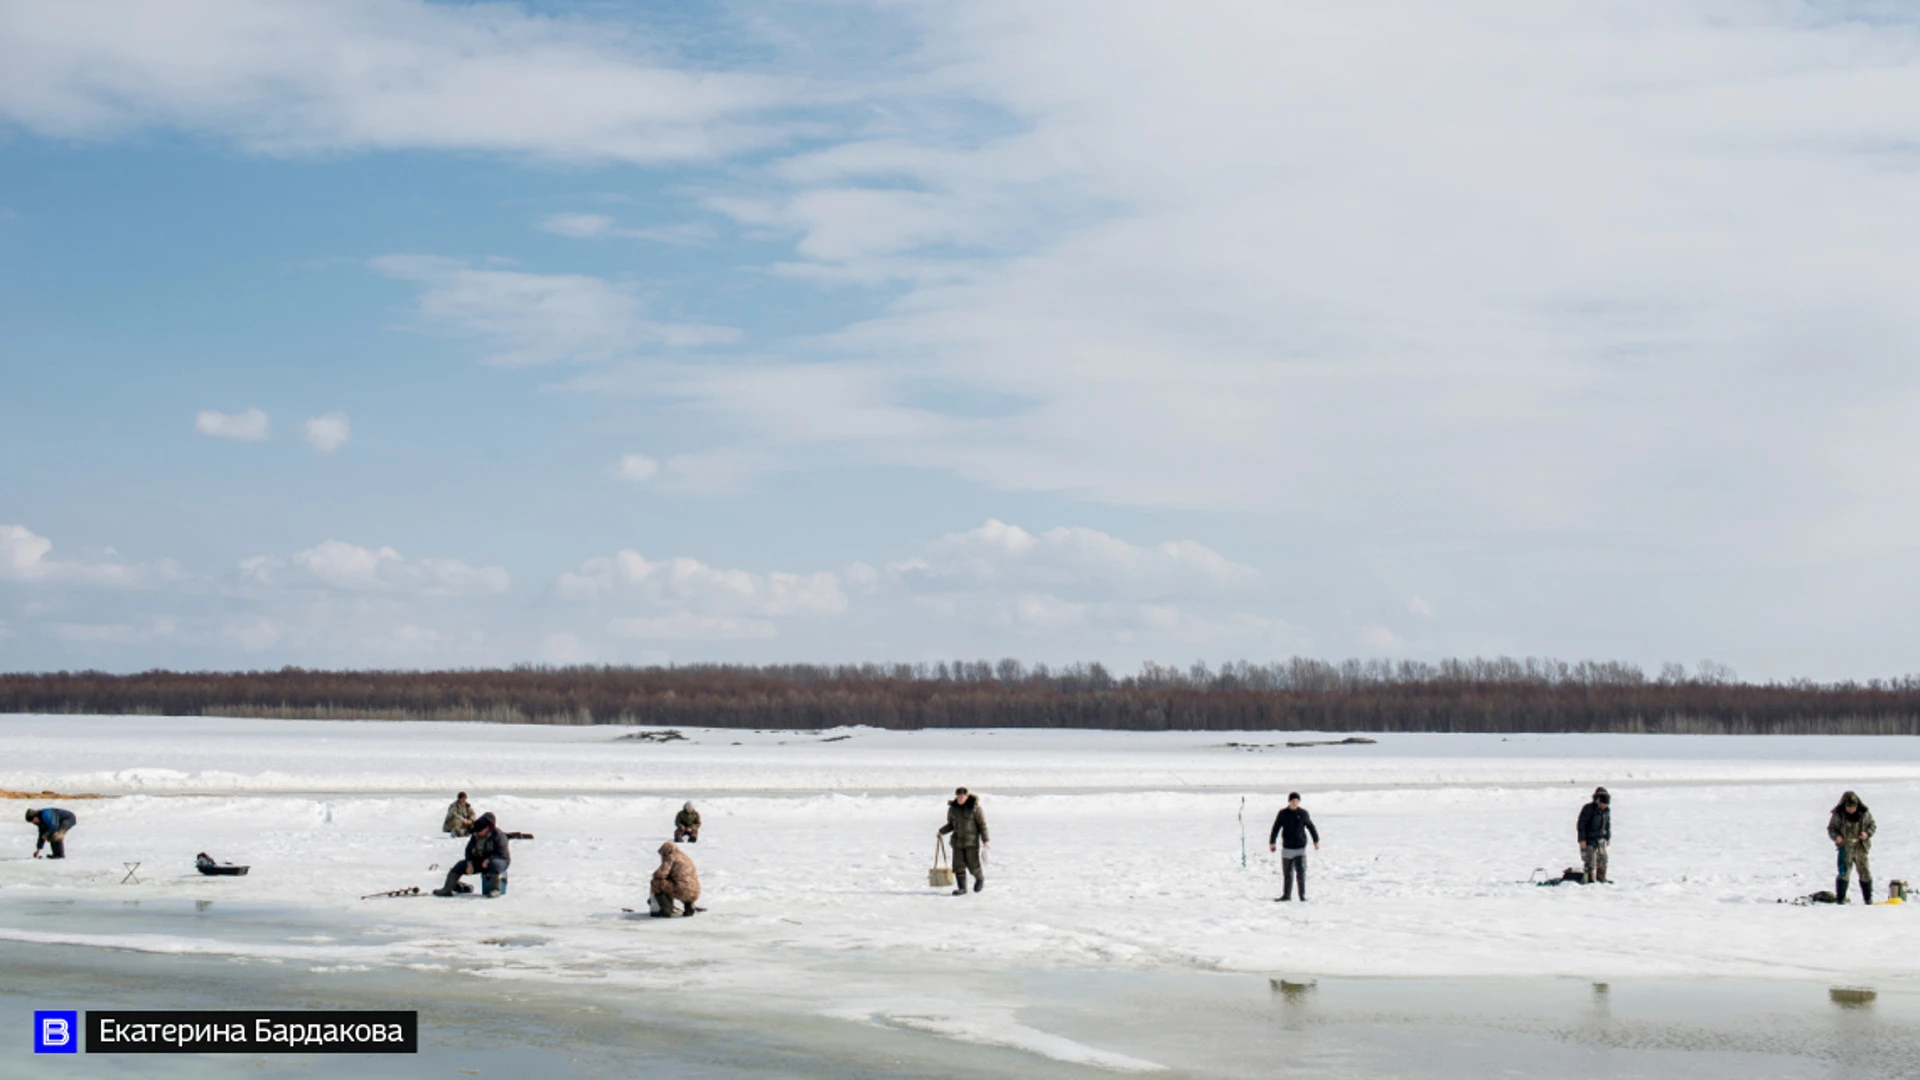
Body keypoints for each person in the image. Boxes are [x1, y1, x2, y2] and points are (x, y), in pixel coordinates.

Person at [434, 812, 510, 897]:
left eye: (480, 831)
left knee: (495, 864)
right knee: (460, 865)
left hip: (500, 860)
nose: (479, 833)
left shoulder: (498, 835)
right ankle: (447, 889)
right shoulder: (475, 835)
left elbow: (501, 853)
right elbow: (468, 850)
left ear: (487, 828)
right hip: (480, 861)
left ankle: (495, 889)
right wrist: (469, 863)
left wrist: (489, 859)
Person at [1268, 793, 1320, 901]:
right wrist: (1272, 842)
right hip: (1287, 848)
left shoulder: (1303, 813)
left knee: (1301, 873)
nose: (1294, 803)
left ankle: (1302, 896)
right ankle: (1286, 896)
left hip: (1300, 848)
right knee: (1288, 874)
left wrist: (1316, 840)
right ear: (1289, 802)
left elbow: (1311, 827)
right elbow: (1276, 827)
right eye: (1292, 801)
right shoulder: (1283, 813)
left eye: (1296, 801)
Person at [938, 787, 989, 895]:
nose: (960, 798)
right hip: (957, 842)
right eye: (958, 796)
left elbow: (982, 825)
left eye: (962, 796)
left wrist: (986, 840)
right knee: (958, 865)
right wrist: (941, 832)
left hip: (971, 843)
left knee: (973, 865)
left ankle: (979, 878)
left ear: (967, 796)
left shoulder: (975, 808)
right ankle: (962, 888)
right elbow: (951, 825)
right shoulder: (953, 809)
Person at [1829, 790, 1876, 904]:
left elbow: (1872, 825)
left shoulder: (1864, 814)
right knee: (1844, 872)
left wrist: (1867, 834)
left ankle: (1868, 898)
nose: (1851, 810)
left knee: (1864, 872)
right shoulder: (1838, 815)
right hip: (1845, 847)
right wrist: (1836, 837)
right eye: (1849, 807)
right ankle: (1840, 898)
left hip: (1860, 847)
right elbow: (1831, 829)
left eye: (1853, 807)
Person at [650, 841, 701, 916]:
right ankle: (689, 906)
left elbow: (660, 874)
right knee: (683, 884)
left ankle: (664, 909)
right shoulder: (685, 857)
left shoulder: (671, 857)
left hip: (680, 889)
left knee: (656, 882)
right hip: (695, 891)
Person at [1577, 787, 1611, 884]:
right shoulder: (1588, 808)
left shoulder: (1606, 811)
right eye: (1604, 803)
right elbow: (1581, 824)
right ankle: (1589, 880)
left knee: (1603, 859)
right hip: (1589, 839)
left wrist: (1607, 837)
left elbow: (1607, 824)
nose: (1605, 806)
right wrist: (1582, 839)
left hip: (1600, 839)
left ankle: (1601, 879)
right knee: (1590, 861)